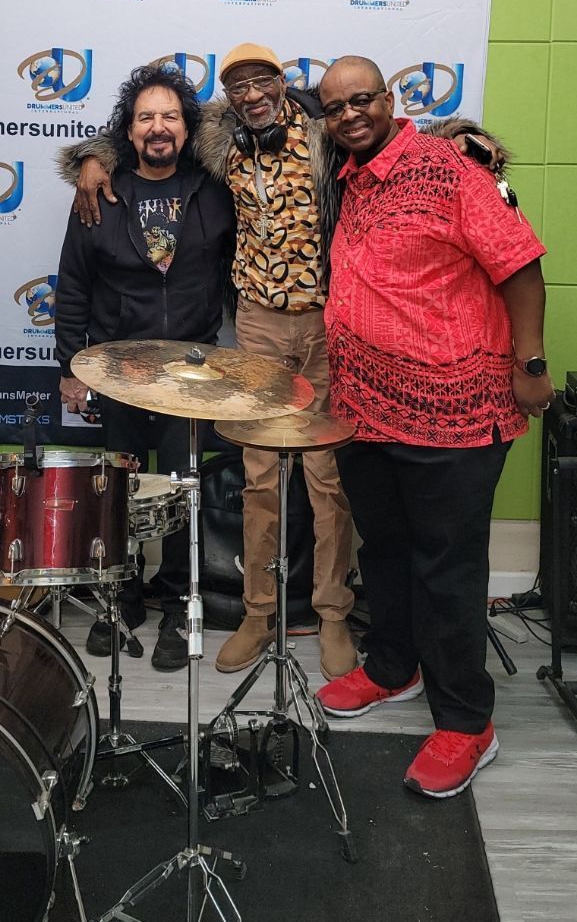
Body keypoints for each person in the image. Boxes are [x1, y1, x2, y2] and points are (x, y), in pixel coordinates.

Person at [59, 43, 505, 682]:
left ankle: (330, 614)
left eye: (262, 80)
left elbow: (391, 134)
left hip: (330, 322)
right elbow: (143, 131)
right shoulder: (223, 146)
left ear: (282, 83)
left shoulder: (326, 133)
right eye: (237, 85)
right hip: (259, 325)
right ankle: (257, 611)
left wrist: (464, 139)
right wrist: (92, 162)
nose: (251, 94)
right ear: (228, 98)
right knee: (259, 477)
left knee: (328, 478)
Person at [314, 55, 555, 798]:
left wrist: (531, 361)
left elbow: (519, 266)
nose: (350, 114)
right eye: (336, 106)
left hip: (454, 416)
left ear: (389, 100)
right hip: (366, 411)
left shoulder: (448, 170)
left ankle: (464, 723)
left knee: (446, 572)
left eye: (362, 100)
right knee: (384, 551)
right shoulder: (349, 179)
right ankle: (393, 667)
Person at [55, 64, 236, 671]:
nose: (158, 128)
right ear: (127, 132)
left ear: (189, 127)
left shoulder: (216, 188)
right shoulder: (99, 193)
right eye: (145, 118)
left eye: (170, 116)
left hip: (191, 372)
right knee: (123, 488)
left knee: (185, 490)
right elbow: (74, 287)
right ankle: (123, 596)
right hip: (118, 370)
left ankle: (181, 602)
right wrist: (69, 368)